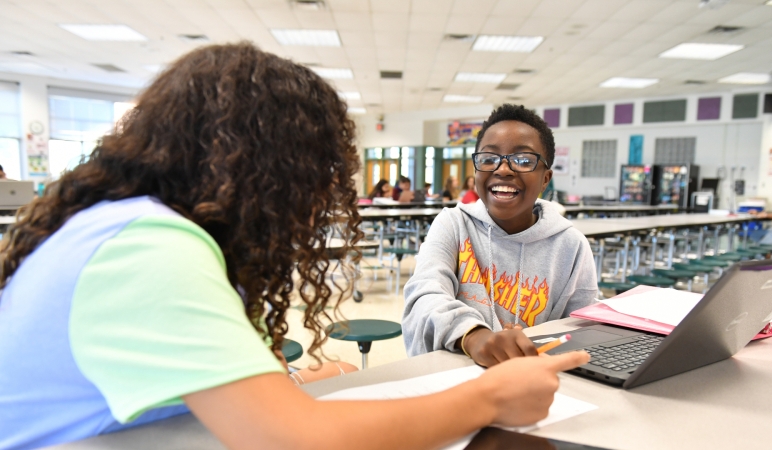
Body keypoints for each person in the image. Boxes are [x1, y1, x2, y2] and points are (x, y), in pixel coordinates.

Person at [0, 44, 588, 449]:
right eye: (315, 167)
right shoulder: (147, 248)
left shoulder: (134, 228)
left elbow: (189, 394)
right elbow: (292, 441)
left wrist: (281, 385)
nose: (318, 193)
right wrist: (488, 399)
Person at [402, 104, 598, 367]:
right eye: (488, 158)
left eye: (524, 161)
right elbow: (424, 296)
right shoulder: (453, 224)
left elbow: (582, 328)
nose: (503, 169)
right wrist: (474, 336)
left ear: (545, 179)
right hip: (451, 379)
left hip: (529, 383)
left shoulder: (571, 246)